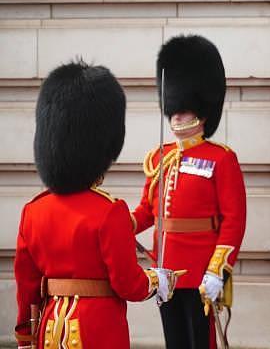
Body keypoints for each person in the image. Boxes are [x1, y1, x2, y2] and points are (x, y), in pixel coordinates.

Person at [14, 61, 177, 349]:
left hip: (50, 330)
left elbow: (27, 288)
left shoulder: (33, 211)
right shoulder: (109, 211)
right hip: (97, 330)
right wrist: (156, 280)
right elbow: (128, 283)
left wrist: (26, 338)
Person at [131, 35, 247, 349]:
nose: (177, 115)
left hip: (200, 271)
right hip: (164, 268)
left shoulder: (221, 158)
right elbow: (146, 211)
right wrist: (117, 222)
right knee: (175, 341)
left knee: (201, 342)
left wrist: (217, 271)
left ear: (202, 112)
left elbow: (233, 221)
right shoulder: (159, 157)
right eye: (174, 110)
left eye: (184, 110)